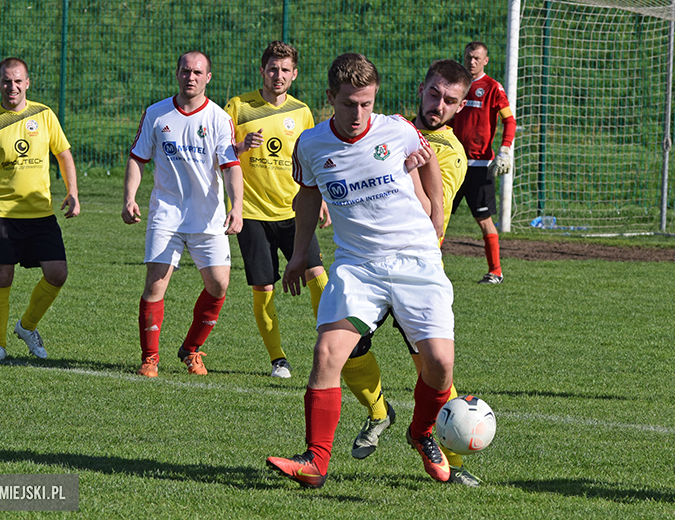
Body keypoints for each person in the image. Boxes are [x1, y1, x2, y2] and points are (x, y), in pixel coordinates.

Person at [266, 53, 455, 489]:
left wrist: (438, 215)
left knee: (440, 365)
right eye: (349, 103)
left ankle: (421, 432)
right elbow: (309, 197)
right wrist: (298, 255)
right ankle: (315, 462)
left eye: (366, 104)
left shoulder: (398, 130)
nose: (358, 114)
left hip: (415, 259)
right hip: (357, 266)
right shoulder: (311, 144)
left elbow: (426, 159)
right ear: (330, 97)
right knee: (327, 353)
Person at [340, 60, 481, 486]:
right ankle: (379, 413)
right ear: (421, 89)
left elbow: (428, 216)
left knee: (435, 371)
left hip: (414, 271)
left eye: (450, 101)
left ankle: (452, 464)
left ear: (460, 107)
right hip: (367, 265)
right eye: (434, 94)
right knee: (343, 349)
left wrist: (408, 174)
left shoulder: (448, 153)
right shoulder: (391, 128)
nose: (439, 105)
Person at [0, 57, 80, 363]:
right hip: (3, 214)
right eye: (6, 81)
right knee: (2, 276)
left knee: (58, 273)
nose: (12, 87)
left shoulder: (44, 114)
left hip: (41, 213)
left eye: (18, 80)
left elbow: (64, 154)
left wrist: (73, 191)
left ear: (28, 83)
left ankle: (27, 326)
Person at [122, 51, 243, 378]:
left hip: (208, 218)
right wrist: (129, 197)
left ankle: (191, 349)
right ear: (177, 73)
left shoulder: (219, 118)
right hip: (167, 215)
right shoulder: (156, 114)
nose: (191, 77)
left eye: (198, 72)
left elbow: (231, 167)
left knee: (219, 285)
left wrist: (238, 207)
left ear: (208, 77)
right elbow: (137, 158)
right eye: (186, 71)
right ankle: (150, 359)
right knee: (155, 285)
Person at [224, 41, 329, 379]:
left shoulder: (302, 112)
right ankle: (278, 360)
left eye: (285, 70)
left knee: (318, 276)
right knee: (264, 288)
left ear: (295, 74)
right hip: (252, 213)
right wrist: (241, 146)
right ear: (262, 70)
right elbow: (219, 153)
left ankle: (336, 344)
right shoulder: (238, 107)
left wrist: (321, 197)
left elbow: (311, 159)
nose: (278, 76)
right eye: (273, 69)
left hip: (294, 212)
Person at [451, 41, 516, 284]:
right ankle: (429, 269)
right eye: (469, 56)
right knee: (438, 216)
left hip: (479, 166)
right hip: (452, 163)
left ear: (486, 60)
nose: (472, 61)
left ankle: (495, 271)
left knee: (484, 218)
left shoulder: (492, 87)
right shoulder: (456, 86)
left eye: (477, 57)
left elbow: (510, 121)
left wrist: (505, 149)